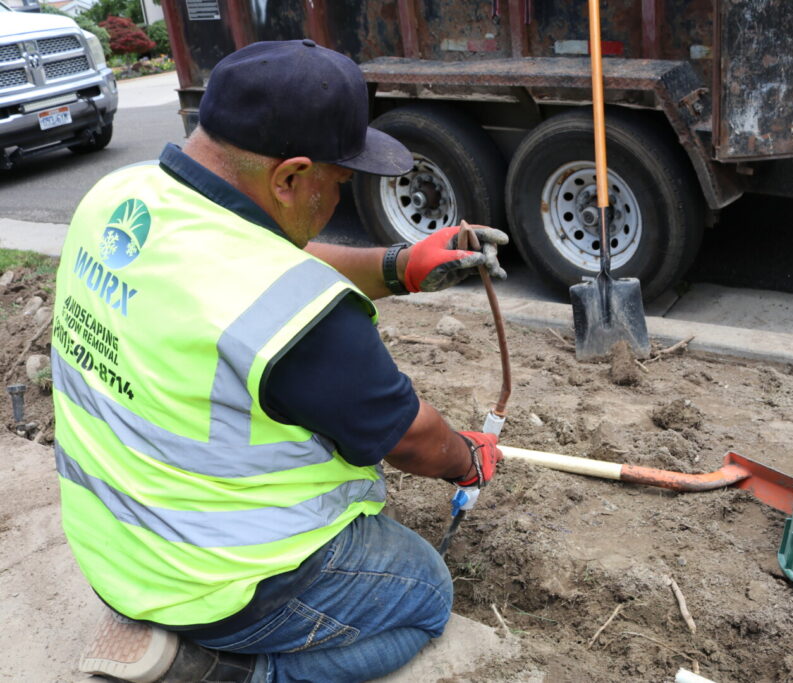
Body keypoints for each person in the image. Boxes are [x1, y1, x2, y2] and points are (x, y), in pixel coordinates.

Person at [55, 39, 506, 683]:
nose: (340, 198)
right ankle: (224, 672)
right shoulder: (307, 319)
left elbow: (248, 258)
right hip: (214, 586)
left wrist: (398, 267)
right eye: (339, 182)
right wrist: (465, 459)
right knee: (423, 593)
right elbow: (409, 440)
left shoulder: (117, 201)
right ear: (292, 177)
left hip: (111, 551)